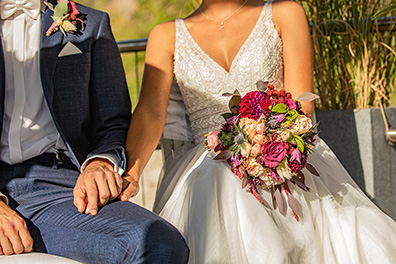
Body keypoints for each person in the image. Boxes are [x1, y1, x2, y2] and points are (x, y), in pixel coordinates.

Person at [123, 0, 396, 263]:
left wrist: (267, 144)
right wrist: (132, 173)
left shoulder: (285, 13)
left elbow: (303, 104)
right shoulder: (165, 36)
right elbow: (151, 111)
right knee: (220, 178)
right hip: (206, 165)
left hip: (280, 153)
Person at [0, 0, 189, 263]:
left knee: (159, 242)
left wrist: (100, 163)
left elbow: (113, 121)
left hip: (58, 189)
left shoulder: (91, 24)